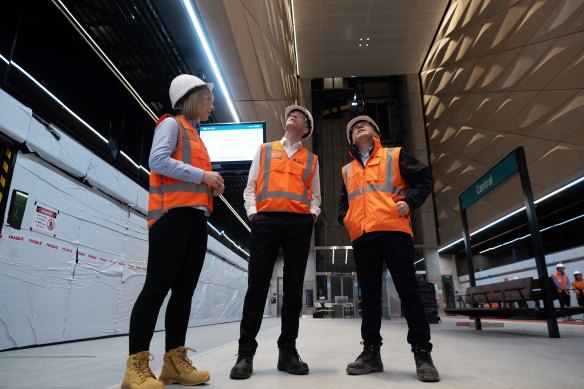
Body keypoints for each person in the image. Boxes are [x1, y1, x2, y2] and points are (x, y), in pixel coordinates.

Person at [121, 74, 225, 389]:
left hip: (195, 218)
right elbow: (158, 161)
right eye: (207, 98)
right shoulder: (172, 124)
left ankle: (174, 363)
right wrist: (205, 176)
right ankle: (135, 367)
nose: (211, 104)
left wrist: (212, 184)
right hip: (171, 216)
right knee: (156, 289)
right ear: (191, 97)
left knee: (183, 293)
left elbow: (195, 176)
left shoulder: (196, 134)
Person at [338, 116, 440, 383]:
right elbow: (343, 203)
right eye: (353, 127)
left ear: (376, 132)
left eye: (365, 124)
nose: (359, 126)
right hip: (363, 238)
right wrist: (346, 219)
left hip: (394, 233)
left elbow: (424, 178)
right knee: (369, 299)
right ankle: (371, 353)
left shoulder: (395, 156)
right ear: (350, 140)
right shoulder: (347, 170)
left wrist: (411, 201)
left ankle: (422, 354)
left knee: (409, 293)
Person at [229, 105, 321, 380]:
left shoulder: (311, 160)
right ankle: (245, 354)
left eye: (300, 115)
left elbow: (315, 195)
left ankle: (288, 352)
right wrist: (253, 214)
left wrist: (311, 217)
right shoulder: (265, 149)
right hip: (265, 221)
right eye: (290, 114)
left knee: (293, 291)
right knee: (256, 287)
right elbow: (250, 186)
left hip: (298, 225)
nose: (292, 115)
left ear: (306, 129)